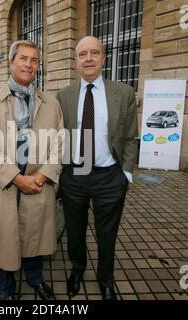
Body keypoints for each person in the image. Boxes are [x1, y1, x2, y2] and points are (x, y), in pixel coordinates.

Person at [0, 40, 63, 300]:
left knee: (35, 238)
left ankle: (36, 281)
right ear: (11, 62)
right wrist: (15, 178)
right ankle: (7, 291)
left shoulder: (50, 102)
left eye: (34, 60)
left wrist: (43, 174)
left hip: (38, 182)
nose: (29, 64)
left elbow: (60, 142)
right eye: (23, 58)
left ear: (38, 66)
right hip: (7, 185)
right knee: (6, 242)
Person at [56, 36, 138, 300]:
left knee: (107, 233)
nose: (88, 58)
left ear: (103, 58)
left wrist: (124, 174)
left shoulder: (123, 92)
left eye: (94, 53)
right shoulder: (64, 96)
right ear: (76, 61)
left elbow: (130, 137)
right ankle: (77, 270)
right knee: (75, 231)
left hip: (109, 176)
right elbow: (59, 137)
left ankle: (106, 279)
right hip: (75, 174)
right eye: (82, 54)